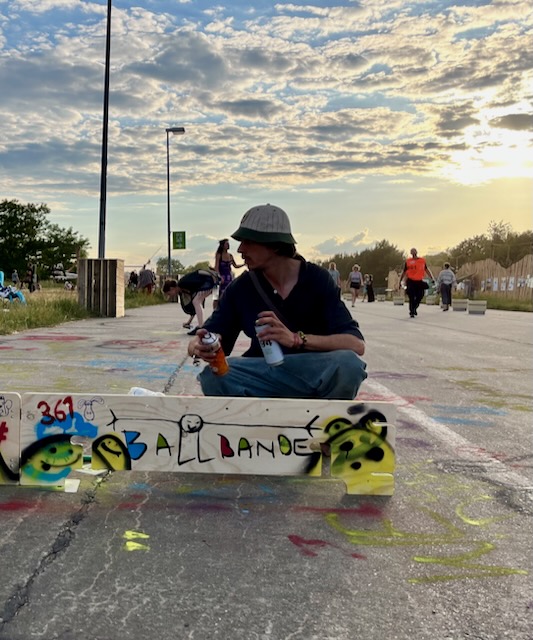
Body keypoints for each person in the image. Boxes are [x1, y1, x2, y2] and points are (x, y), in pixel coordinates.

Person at [187, 204, 367, 400]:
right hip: (265, 374)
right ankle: (256, 416)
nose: (240, 249)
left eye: (248, 241)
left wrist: (296, 339)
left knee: (349, 365)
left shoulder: (317, 279)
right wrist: (198, 345)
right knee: (212, 376)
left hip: (312, 371)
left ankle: (323, 416)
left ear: (274, 245)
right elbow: (211, 333)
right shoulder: (241, 287)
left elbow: (356, 344)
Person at [163, 269, 219, 334]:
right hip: (207, 282)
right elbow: (194, 308)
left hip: (208, 281)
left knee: (196, 302)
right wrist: (188, 322)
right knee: (196, 302)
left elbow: (198, 271)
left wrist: (213, 275)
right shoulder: (182, 290)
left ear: (171, 288)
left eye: (169, 294)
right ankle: (201, 325)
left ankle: (201, 326)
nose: (170, 296)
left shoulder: (183, 282)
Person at [399, 248, 435, 318]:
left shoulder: (422, 261)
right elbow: (404, 272)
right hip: (411, 281)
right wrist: (400, 281)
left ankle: (414, 307)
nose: (413, 253)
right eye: (412, 252)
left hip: (419, 281)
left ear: (416, 252)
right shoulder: (408, 261)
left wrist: (432, 278)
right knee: (411, 297)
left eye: (414, 251)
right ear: (411, 253)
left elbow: (426, 269)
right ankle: (412, 311)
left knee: (420, 295)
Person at [214, 239, 244, 305]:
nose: (228, 245)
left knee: (227, 296)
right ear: (222, 245)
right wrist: (219, 277)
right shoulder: (219, 254)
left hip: (228, 278)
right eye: (226, 244)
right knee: (215, 297)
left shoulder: (230, 256)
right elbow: (216, 267)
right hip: (219, 277)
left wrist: (244, 264)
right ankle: (215, 310)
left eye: (228, 244)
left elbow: (235, 266)